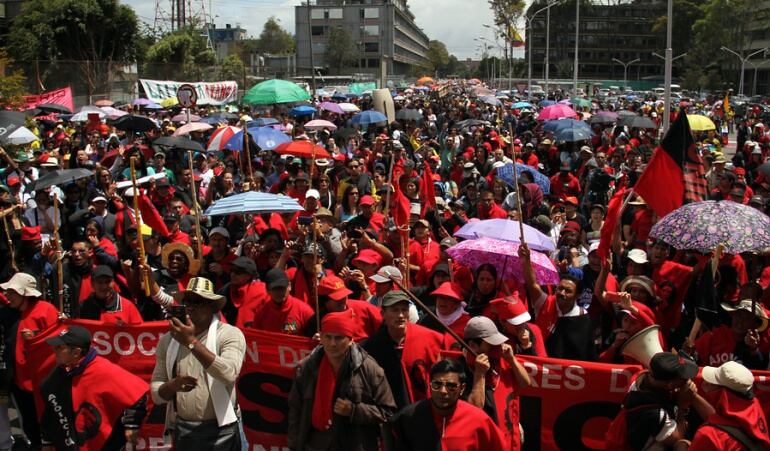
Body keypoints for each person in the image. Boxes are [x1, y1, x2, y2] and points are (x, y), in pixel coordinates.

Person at [150, 277, 246, 451]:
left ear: (212, 307)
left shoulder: (229, 334)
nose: (190, 307)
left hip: (221, 432)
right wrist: (172, 386)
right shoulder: (168, 340)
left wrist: (191, 342)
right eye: (187, 302)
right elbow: (156, 394)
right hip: (183, 431)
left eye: (197, 302)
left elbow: (229, 373)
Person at [288, 311, 396, 450]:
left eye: (339, 338)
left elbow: (388, 412)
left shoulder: (370, 369)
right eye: (328, 337)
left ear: (350, 340)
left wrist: (353, 410)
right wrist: (294, 446)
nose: (333, 343)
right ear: (321, 338)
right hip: (316, 445)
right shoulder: (306, 368)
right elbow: (295, 411)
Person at [40, 325, 148, 451]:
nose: (54, 350)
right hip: (71, 441)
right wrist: (47, 441)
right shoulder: (60, 373)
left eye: (60, 347)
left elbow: (138, 393)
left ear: (76, 352)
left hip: (105, 442)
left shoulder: (103, 370)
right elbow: (51, 408)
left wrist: (131, 424)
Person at [385, 359, 507, 450]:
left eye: (451, 386)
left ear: (462, 388)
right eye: (437, 385)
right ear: (429, 385)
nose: (443, 391)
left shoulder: (479, 420)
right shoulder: (408, 417)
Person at [607, 352, 714, 451]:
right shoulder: (654, 413)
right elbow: (677, 439)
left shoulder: (641, 378)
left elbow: (712, 417)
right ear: (671, 385)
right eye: (684, 379)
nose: (687, 381)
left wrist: (692, 395)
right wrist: (682, 406)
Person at [1, 272, 59, 450]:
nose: (8, 296)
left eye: (13, 292)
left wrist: (37, 335)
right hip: (20, 382)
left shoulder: (46, 310)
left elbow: (58, 340)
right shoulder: (9, 313)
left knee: (49, 424)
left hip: (42, 381)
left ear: (25, 294)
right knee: (30, 424)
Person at [362, 290, 445, 409]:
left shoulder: (431, 339)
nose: (400, 315)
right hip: (387, 410)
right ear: (383, 313)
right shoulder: (371, 346)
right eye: (395, 310)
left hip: (423, 408)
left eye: (404, 310)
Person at [462, 316, 531, 450]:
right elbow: (474, 409)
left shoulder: (503, 359)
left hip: (510, 439)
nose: (498, 346)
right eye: (491, 343)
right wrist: (479, 374)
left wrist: (512, 360)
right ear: (473, 346)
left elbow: (525, 383)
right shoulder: (461, 369)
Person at [688, 361, 770, 450]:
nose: (705, 383)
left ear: (723, 395)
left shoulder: (709, 435)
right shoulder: (755, 408)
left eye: (712, 383)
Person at [240, 267, 314, 334]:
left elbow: (313, 336)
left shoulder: (304, 311)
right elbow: (257, 338)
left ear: (289, 286)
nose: (279, 292)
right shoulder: (261, 313)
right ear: (267, 290)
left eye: (282, 288)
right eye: (275, 289)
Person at [79, 265, 143, 325]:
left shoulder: (127, 306)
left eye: (108, 282)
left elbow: (139, 330)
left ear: (113, 283)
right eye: (100, 282)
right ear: (92, 285)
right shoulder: (84, 306)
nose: (104, 287)